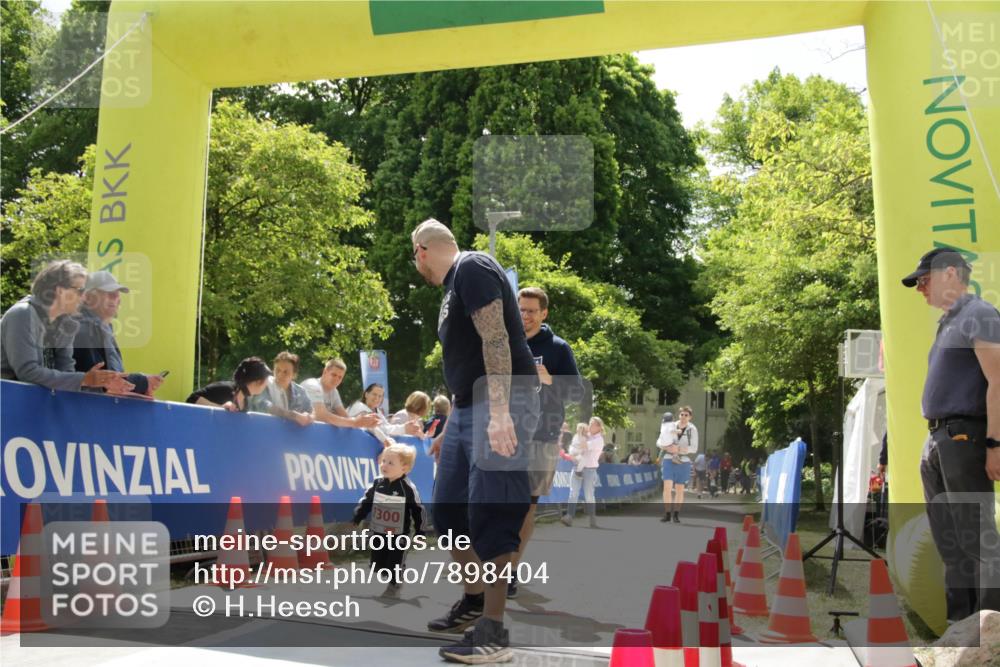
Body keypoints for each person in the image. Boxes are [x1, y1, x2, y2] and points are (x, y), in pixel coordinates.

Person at [411, 218, 539, 662]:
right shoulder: (451, 289)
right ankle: (475, 600)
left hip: (501, 402)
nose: (417, 267)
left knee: (492, 514)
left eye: (415, 260)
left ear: (421, 250)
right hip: (467, 409)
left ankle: (494, 632)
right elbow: (466, 358)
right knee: (447, 514)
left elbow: (497, 337)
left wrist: (500, 411)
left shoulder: (472, 266)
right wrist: (450, 427)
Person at [902, 247, 1000, 622]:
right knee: (949, 540)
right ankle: (960, 626)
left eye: (923, 280)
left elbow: (998, 381)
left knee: (976, 535)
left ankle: (990, 629)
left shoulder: (980, 314)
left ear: (950, 274)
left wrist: (994, 443)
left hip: (966, 436)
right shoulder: (948, 322)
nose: (919, 289)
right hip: (940, 438)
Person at [510, 285, 583, 598]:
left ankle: (510, 570)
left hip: (542, 437)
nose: (524, 315)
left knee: (526, 506)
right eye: (521, 309)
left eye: (531, 310)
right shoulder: (506, 342)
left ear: (544, 313)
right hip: (503, 435)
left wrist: (550, 379)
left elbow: (576, 392)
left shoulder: (557, 347)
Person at [1, 260, 133, 393]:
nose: (83, 298)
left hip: (33, 404)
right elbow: (27, 373)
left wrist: (97, 383)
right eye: (80, 291)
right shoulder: (22, 314)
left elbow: (66, 372)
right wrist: (84, 379)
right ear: (60, 291)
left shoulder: (68, 324)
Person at [72, 270, 164, 397]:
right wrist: (142, 382)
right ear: (88, 298)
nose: (116, 298)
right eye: (109, 293)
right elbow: (102, 383)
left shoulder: (102, 325)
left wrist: (141, 384)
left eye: (117, 293)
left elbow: (110, 383)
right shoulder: (84, 328)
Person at [352, 442, 425, 599]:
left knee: (395, 562)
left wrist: (420, 531)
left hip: (399, 534)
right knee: (378, 564)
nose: (384, 465)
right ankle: (388, 573)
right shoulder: (378, 483)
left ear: (404, 468)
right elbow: (367, 501)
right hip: (379, 531)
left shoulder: (407, 488)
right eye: (383, 461)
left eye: (390, 463)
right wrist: (358, 516)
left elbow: (418, 510)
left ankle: (394, 585)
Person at [301, 358, 381, 430]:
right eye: (334, 375)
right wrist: (355, 422)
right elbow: (321, 415)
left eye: (340, 377)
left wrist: (365, 423)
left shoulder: (334, 391)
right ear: (325, 372)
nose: (336, 379)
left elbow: (344, 416)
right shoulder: (312, 385)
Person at [248, 351, 314, 426]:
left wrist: (309, 417)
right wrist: (294, 416)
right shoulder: (263, 383)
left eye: (286, 372)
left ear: (294, 375)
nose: (280, 374)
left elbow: (311, 412)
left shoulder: (300, 391)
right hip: (261, 429)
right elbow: (264, 406)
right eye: (277, 370)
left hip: (291, 435)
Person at [561, 417, 604, 529]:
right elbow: (574, 445)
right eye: (589, 423)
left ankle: (592, 519)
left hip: (590, 470)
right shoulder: (586, 434)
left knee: (589, 495)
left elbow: (582, 446)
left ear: (599, 427)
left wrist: (580, 435)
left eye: (592, 424)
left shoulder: (599, 440)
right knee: (573, 492)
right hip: (577, 467)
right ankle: (569, 517)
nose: (589, 426)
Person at [186, 357, 272, 412]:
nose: (266, 385)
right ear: (257, 382)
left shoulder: (245, 401)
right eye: (266, 381)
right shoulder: (226, 389)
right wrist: (220, 409)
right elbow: (192, 399)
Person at [657, 406, 698, 523]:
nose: (683, 417)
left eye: (686, 415)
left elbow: (694, 448)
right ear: (679, 415)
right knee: (667, 488)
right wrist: (667, 447)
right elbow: (659, 441)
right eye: (682, 415)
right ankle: (667, 514)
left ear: (690, 417)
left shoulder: (692, 429)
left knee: (680, 489)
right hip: (669, 459)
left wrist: (679, 449)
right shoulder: (671, 425)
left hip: (683, 461)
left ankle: (676, 514)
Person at [348, 383, 423, 443]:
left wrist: (408, 429)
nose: (377, 398)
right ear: (366, 394)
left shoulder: (377, 411)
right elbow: (380, 429)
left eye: (380, 396)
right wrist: (403, 428)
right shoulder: (358, 407)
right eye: (374, 394)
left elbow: (387, 428)